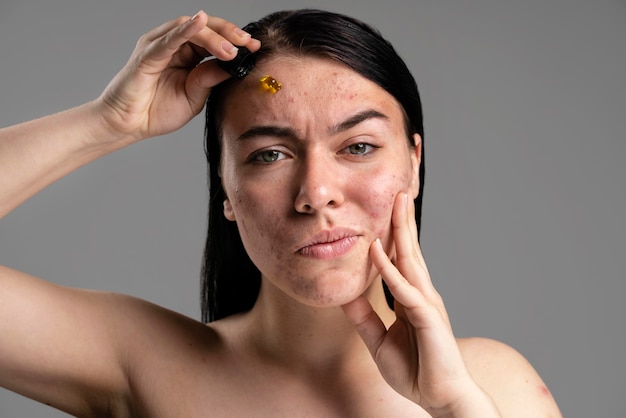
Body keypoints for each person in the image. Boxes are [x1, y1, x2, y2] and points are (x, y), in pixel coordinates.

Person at [0, 8, 562, 417]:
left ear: (414, 163)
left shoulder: (493, 385)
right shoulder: (142, 363)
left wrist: (455, 405)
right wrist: (111, 120)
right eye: (270, 154)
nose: (315, 193)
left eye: (359, 147)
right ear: (224, 186)